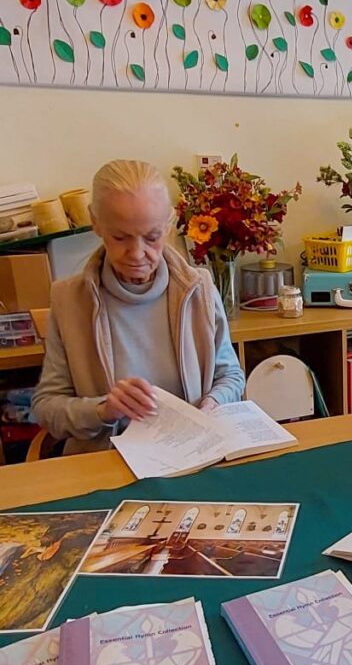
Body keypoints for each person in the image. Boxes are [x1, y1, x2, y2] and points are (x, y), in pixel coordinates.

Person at [33, 158, 244, 454]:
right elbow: (47, 408)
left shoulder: (199, 288)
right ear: (95, 222)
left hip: (190, 456)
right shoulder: (69, 299)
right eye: (120, 237)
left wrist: (211, 405)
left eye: (152, 237)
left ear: (169, 224)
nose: (137, 253)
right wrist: (103, 410)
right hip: (104, 462)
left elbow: (231, 376)